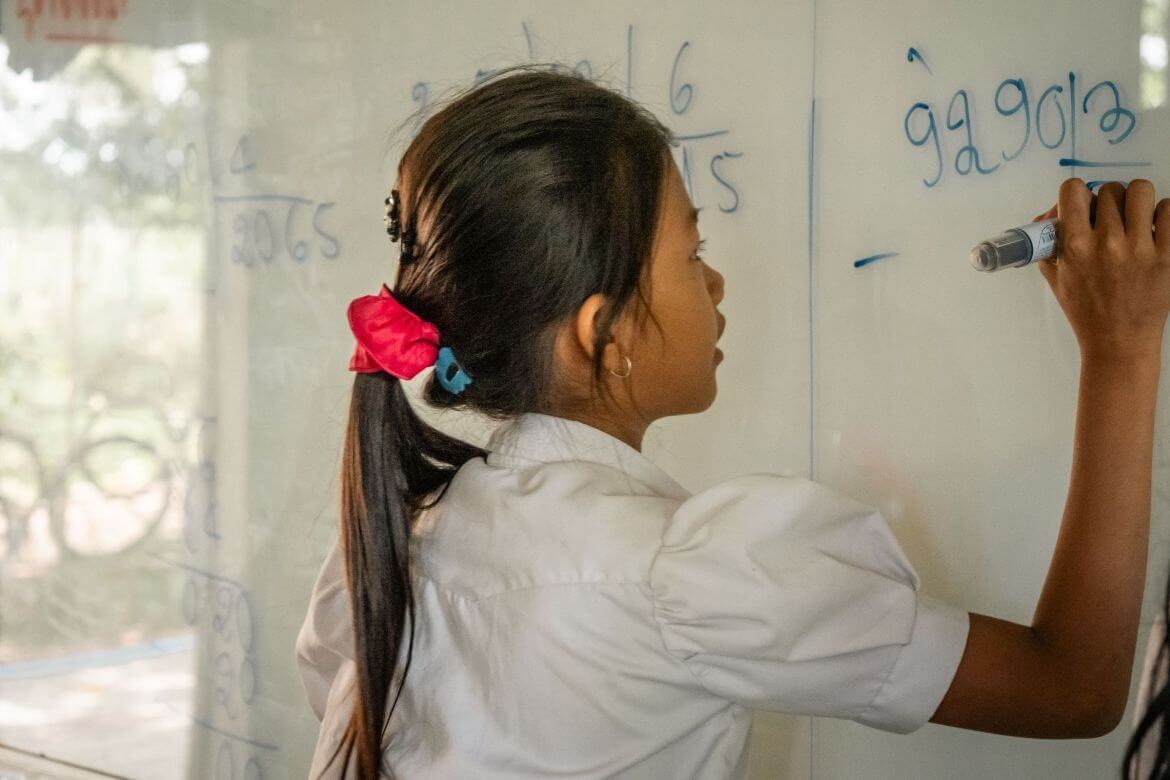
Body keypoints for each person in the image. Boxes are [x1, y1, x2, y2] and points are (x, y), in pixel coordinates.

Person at [294, 64, 1170, 779]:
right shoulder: (680, 577)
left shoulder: (400, 536)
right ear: (603, 333)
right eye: (693, 253)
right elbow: (1074, 688)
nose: (714, 282)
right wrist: (1123, 349)